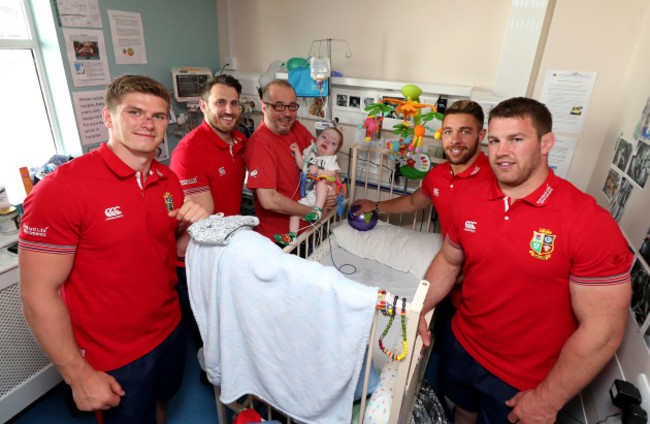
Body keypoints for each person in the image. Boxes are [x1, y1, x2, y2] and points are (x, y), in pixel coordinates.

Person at [418, 97, 633, 424]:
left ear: (546, 143)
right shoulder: (468, 198)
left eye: (516, 139)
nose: (501, 151)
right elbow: (449, 262)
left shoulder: (588, 222)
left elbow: (603, 330)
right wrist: (419, 307)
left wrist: (548, 400)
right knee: (462, 410)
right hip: (462, 342)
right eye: (494, 140)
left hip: (521, 375)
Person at [19, 75, 208, 424]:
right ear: (108, 117)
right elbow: (37, 294)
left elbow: (169, 248)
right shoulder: (61, 189)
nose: (148, 124)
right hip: (113, 351)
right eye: (135, 112)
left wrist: (192, 227)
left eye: (159, 115)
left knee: (161, 405)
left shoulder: (168, 180)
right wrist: (78, 375)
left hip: (168, 329)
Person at [169, 74, 247, 348]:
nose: (229, 110)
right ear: (203, 106)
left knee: (229, 329)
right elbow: (205, 217)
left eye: (234, 103)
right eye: (220, 102)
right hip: (196, 258)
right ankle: (214, 379)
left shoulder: (238, 141)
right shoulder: (189, 151)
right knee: (210, 337)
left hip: (225, 249)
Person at [351, 100, 491, 238]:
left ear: (481, 136)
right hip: (451, 257)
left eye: (465, 131)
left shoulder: (496, 178)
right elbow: (412, 202)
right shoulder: (437, 175)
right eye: (448, 131)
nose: (454, 140)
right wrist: (375, 206)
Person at [246, 79, 336, 242]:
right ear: (264, 107)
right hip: (280, 239)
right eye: (279, 106)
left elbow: (325, 159)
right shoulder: (261, 144)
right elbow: (269, 199)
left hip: (307, 231)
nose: (287, 113)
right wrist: (313, 211)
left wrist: (333, 188)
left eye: (292, 106)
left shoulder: (296, 127)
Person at [274, 127, 343, 245]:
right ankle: (292, 236)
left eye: (332, 143)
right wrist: (296, 152)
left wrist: (319, 172)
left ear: (335, 151)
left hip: (323, 192)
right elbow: (302, 166)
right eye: (324, 137)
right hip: (310, 195)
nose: (326, 141)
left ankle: (317, 210)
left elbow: (332, 173)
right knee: (295, 211)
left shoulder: (330, 160)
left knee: (322, 183)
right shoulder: (309, 154)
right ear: (316, 140)